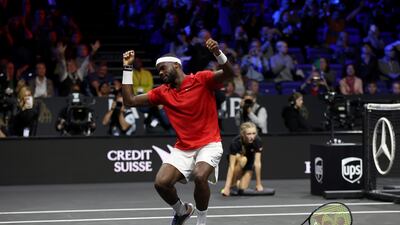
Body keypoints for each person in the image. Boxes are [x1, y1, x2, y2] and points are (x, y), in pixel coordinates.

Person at [121, 37, 234, 225]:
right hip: (184, 148)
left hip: (209, 143)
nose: (161, 73)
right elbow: (129, 100)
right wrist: (127, 68)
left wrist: (217, 53)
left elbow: (229, 74)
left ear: (176, 65)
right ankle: (182, 211)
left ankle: (201, 220)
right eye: (158, 71)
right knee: (161, 183)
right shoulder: (163, 92)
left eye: (163, 68)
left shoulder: (202, 79)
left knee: (200, 176)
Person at [221, 122, 263, 197]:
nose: (252, 137)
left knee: (242, 188)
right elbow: (231, 166)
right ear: (243, 134)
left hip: (249, 165)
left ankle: (237, 183)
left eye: (254, 133)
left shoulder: (258, 141)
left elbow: (257, 163)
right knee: (243, 159)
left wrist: (258, 184)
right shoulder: (235, 142)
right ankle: (232, 184)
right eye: (249, 134)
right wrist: (226, 188)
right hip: (237, 163)